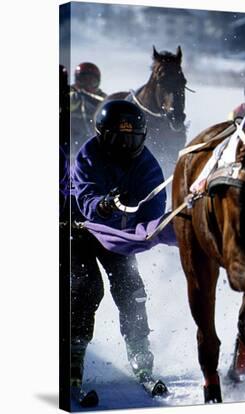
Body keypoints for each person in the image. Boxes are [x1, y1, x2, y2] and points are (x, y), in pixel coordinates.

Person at [70, 100, 166, 393]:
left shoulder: (147, 164)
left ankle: (139, 350)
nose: (125, 146)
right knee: (86, 287)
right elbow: (85, 197)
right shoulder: (89, 155)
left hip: (118, 236)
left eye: (132, 139)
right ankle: (74, 350)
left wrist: (148, 230)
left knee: (131, 288)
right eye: (116, 138)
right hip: (81, 230)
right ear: (102, 135)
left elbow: (155, 208)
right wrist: (104, 204)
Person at [70, 62, 107, 154]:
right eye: (83, 81)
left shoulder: (102, 98)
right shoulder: (71, 94)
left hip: (93, 139)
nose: (87, 85)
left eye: (92, 82)